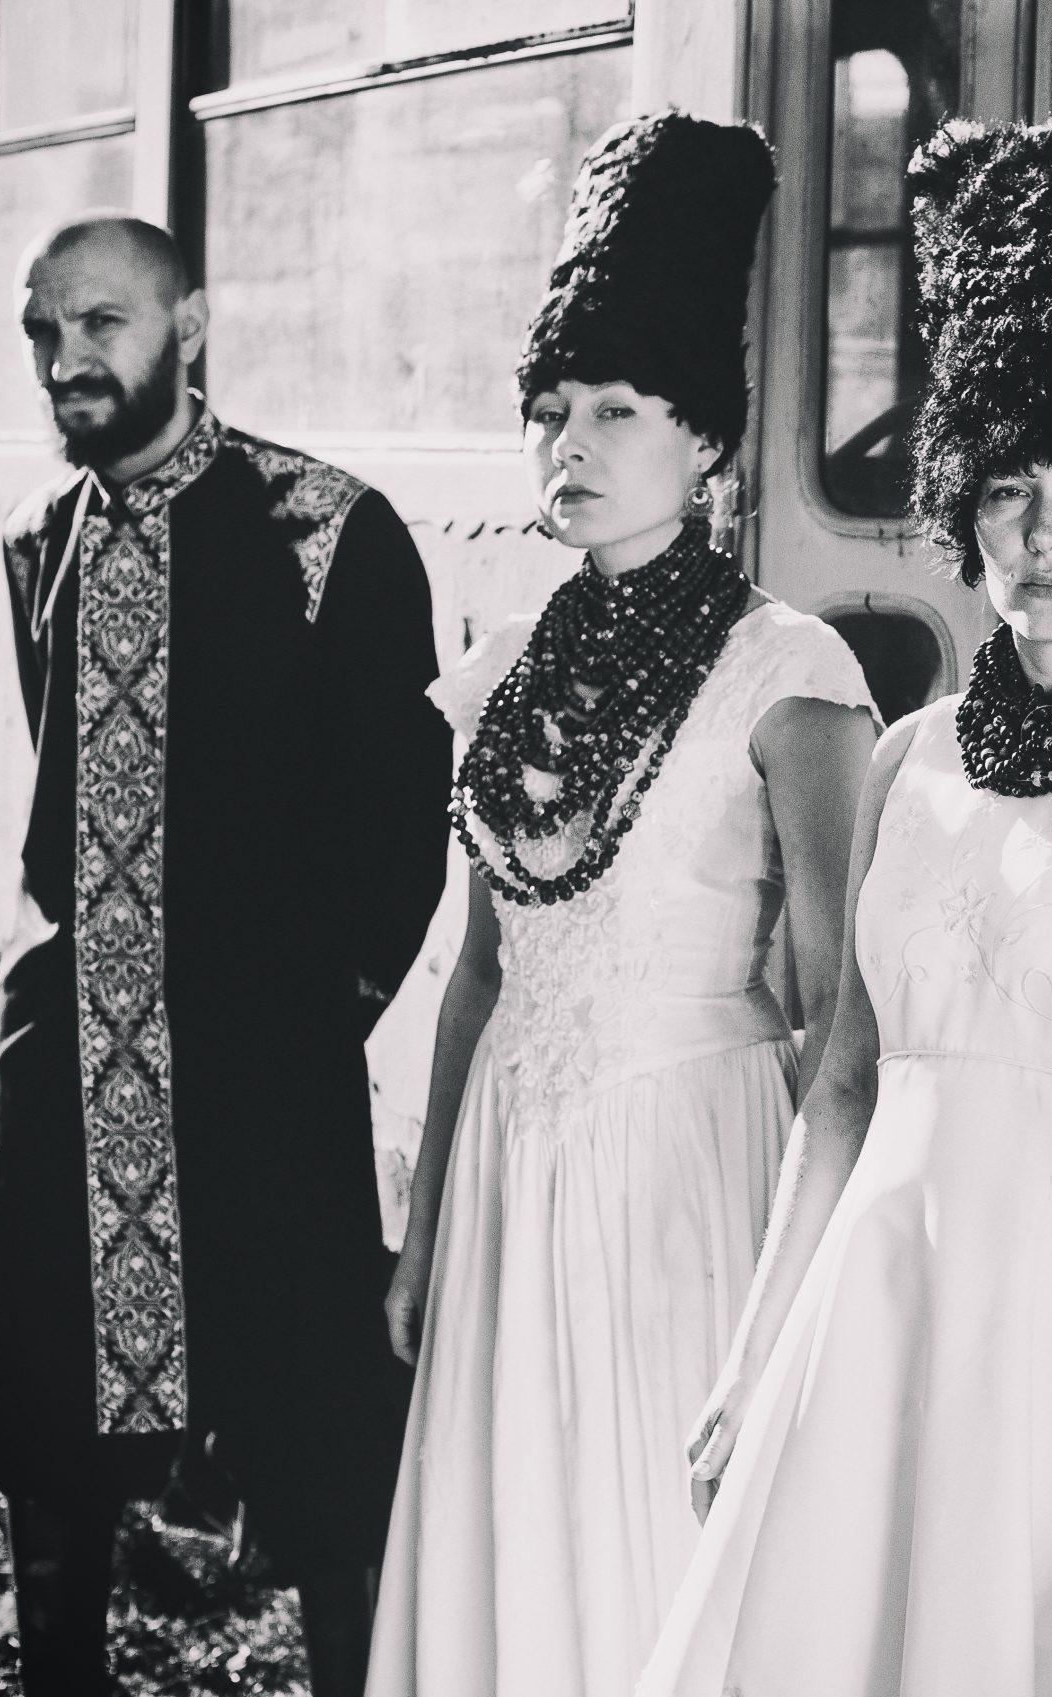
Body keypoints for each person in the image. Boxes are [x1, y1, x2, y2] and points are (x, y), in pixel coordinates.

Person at [640, 113, 1052, 1697]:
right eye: (1010, 487)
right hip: (883, 1329)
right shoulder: (900, 762)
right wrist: (756, 1359)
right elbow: (846, 1090)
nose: (1048, 530)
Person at [364, 114, 880, 1697]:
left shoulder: (791, 673)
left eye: (616, 410)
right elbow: (477, 971)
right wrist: (429, 1212)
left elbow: (838, 1007)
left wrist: (809, 1278)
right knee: (510, 1539)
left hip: (682, 1162)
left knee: (657, 1542)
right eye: (547, 414)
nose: (568, 446)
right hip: (516, 1157)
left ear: (708, 442)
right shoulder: (513, 661)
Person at [0, 214, 449, 1697]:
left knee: (317, 1436)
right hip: (70, 1062)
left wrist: (324, 1005)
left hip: (263, 1075)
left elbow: (401, 808)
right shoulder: (32, 545)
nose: (70, 357)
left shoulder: (326, 530)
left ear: (189, 323)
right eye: (45, 329)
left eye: (103, 322)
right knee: (54, 1435)